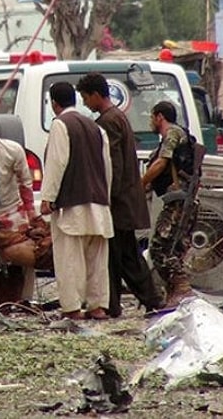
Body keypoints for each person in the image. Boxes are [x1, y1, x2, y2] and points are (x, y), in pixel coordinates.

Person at [76, 72, 165, 318]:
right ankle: (112, 305)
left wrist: (105, 197)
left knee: (125, 257)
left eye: (85, 97)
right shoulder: (117, 117)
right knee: (115, 257)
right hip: (123, 200)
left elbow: (111, 165)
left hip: (118, 202)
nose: (84, 103)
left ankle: (152, 299)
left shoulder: (107, 122)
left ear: (95, 95)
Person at [40, 81, 113, 321]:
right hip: (99, 203)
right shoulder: (96, 128)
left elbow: (57, 163)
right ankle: (98, 306)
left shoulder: (61, 124)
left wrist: (47, 198)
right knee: (97, 261)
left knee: (69, 259)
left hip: (73, 203)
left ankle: (72, 309)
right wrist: (105, 197)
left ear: (54, 103)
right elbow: (106, 168)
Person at [141, 101, 197, 309]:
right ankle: (175, 294)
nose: (150, 122)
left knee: (161, 247)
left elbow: (161, 163)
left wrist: (141, 183)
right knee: (170, 247)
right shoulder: (177, 133)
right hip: (179, 200)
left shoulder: (172, 134)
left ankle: (182, 290)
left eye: (151, 117)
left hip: (178, 201)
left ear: (159, 117)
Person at [0, 122, 44, 310]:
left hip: (11, 211)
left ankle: (25, 299)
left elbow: (25, 184)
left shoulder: (12, 150)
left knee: (29, 253)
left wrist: (32, 217)